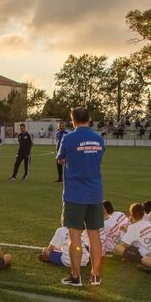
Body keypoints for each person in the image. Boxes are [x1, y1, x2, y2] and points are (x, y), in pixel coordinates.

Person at [57, 107, 105, 286]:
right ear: (90, 119)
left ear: (72, 119)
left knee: (75, 236)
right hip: (95, 192)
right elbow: (98, 158)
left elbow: (60, 159)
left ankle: (76, 276)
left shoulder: (68, 138)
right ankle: (95, 275)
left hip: (75, 194)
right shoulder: (98, 138)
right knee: (95, 235)